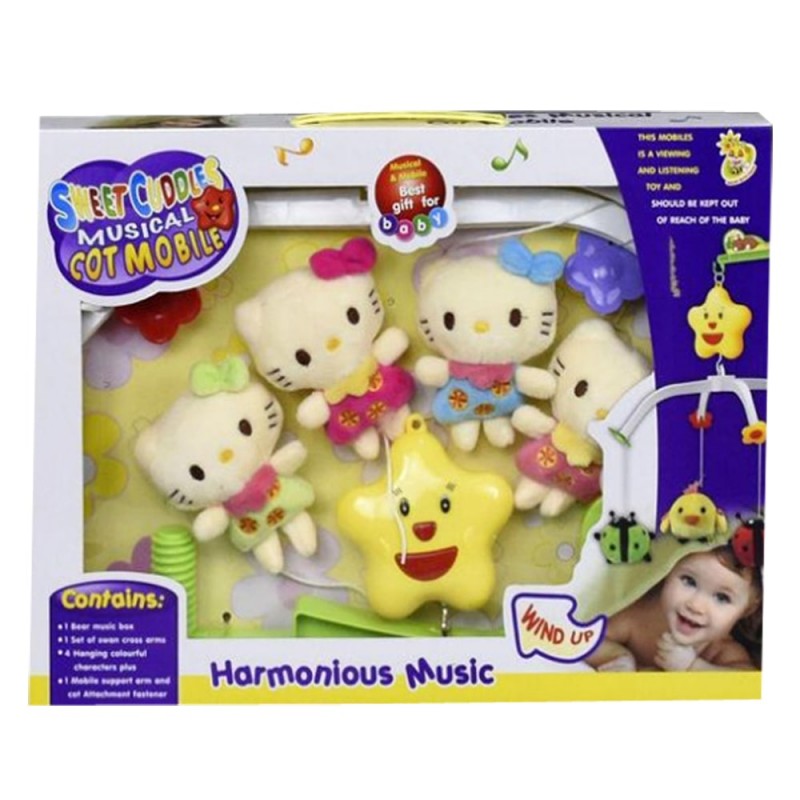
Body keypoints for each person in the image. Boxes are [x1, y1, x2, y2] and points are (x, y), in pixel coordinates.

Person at [588, 546, 762, 671]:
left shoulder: (721, 650)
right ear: (666, 572)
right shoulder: (640, 618)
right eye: (689, 581)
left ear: (748, 609)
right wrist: (618, 657)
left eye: (722, 598)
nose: (696, 606)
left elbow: (747, 682)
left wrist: (693, 666)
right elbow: (588, 637)